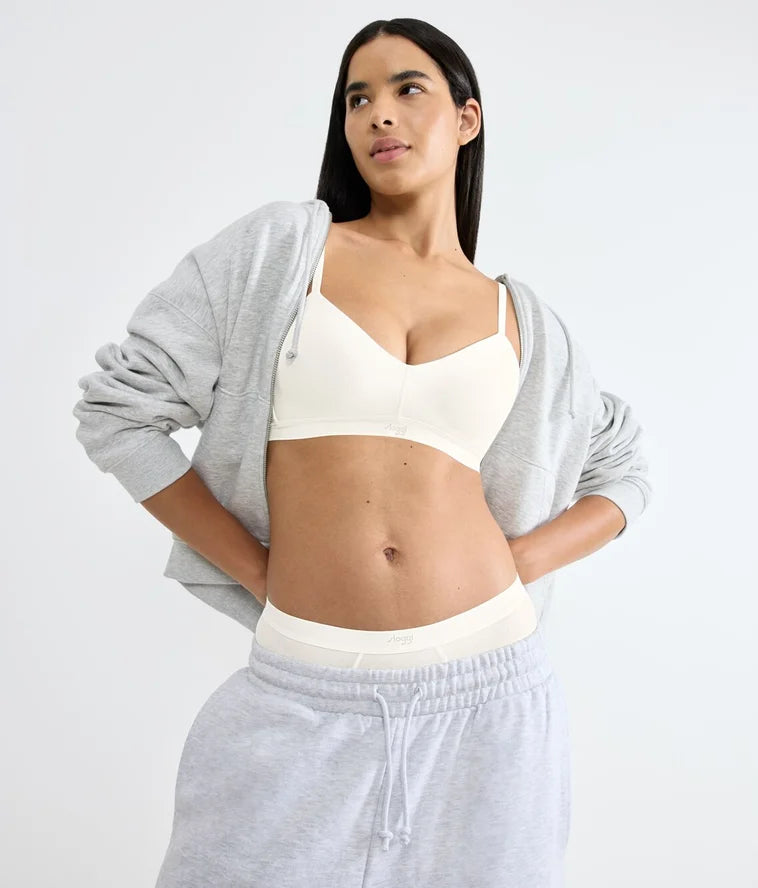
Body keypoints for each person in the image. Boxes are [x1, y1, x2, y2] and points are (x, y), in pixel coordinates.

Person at [73, 18, 653, 888]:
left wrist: (519, 562)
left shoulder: (521, 320)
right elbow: (118, 412)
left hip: (492, 690)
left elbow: (626, 470)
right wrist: (254, 569)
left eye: (407, 88)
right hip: (303, 687)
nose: (378, 113)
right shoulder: (282, 253)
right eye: (357, 98)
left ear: (467, 118)